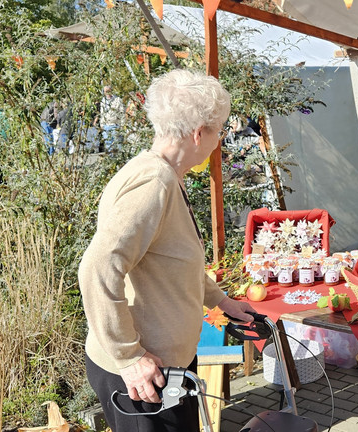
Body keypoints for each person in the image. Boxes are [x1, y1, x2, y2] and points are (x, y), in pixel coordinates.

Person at [79, 69, 257, 432]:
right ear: (198, 133)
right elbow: (96, 269)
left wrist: (221, 301)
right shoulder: (153, 183)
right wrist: (129, 357)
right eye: (219, 129)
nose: (219, 139)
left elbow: (173, 263)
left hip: (162, 366)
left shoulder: (162, 174)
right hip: (146, 375)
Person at [98, 85, 125, 152]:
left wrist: (122, 125)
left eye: (109, 91)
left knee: (118, 145)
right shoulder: (103, 101)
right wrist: (102, 125)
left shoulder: (117, 100)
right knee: (108, 145)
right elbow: (102, 114)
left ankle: (119, 159)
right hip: (106, 126)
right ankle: (111, 159)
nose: (107, 92)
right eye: (106, 91)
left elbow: (122, 113)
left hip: (115, 125)